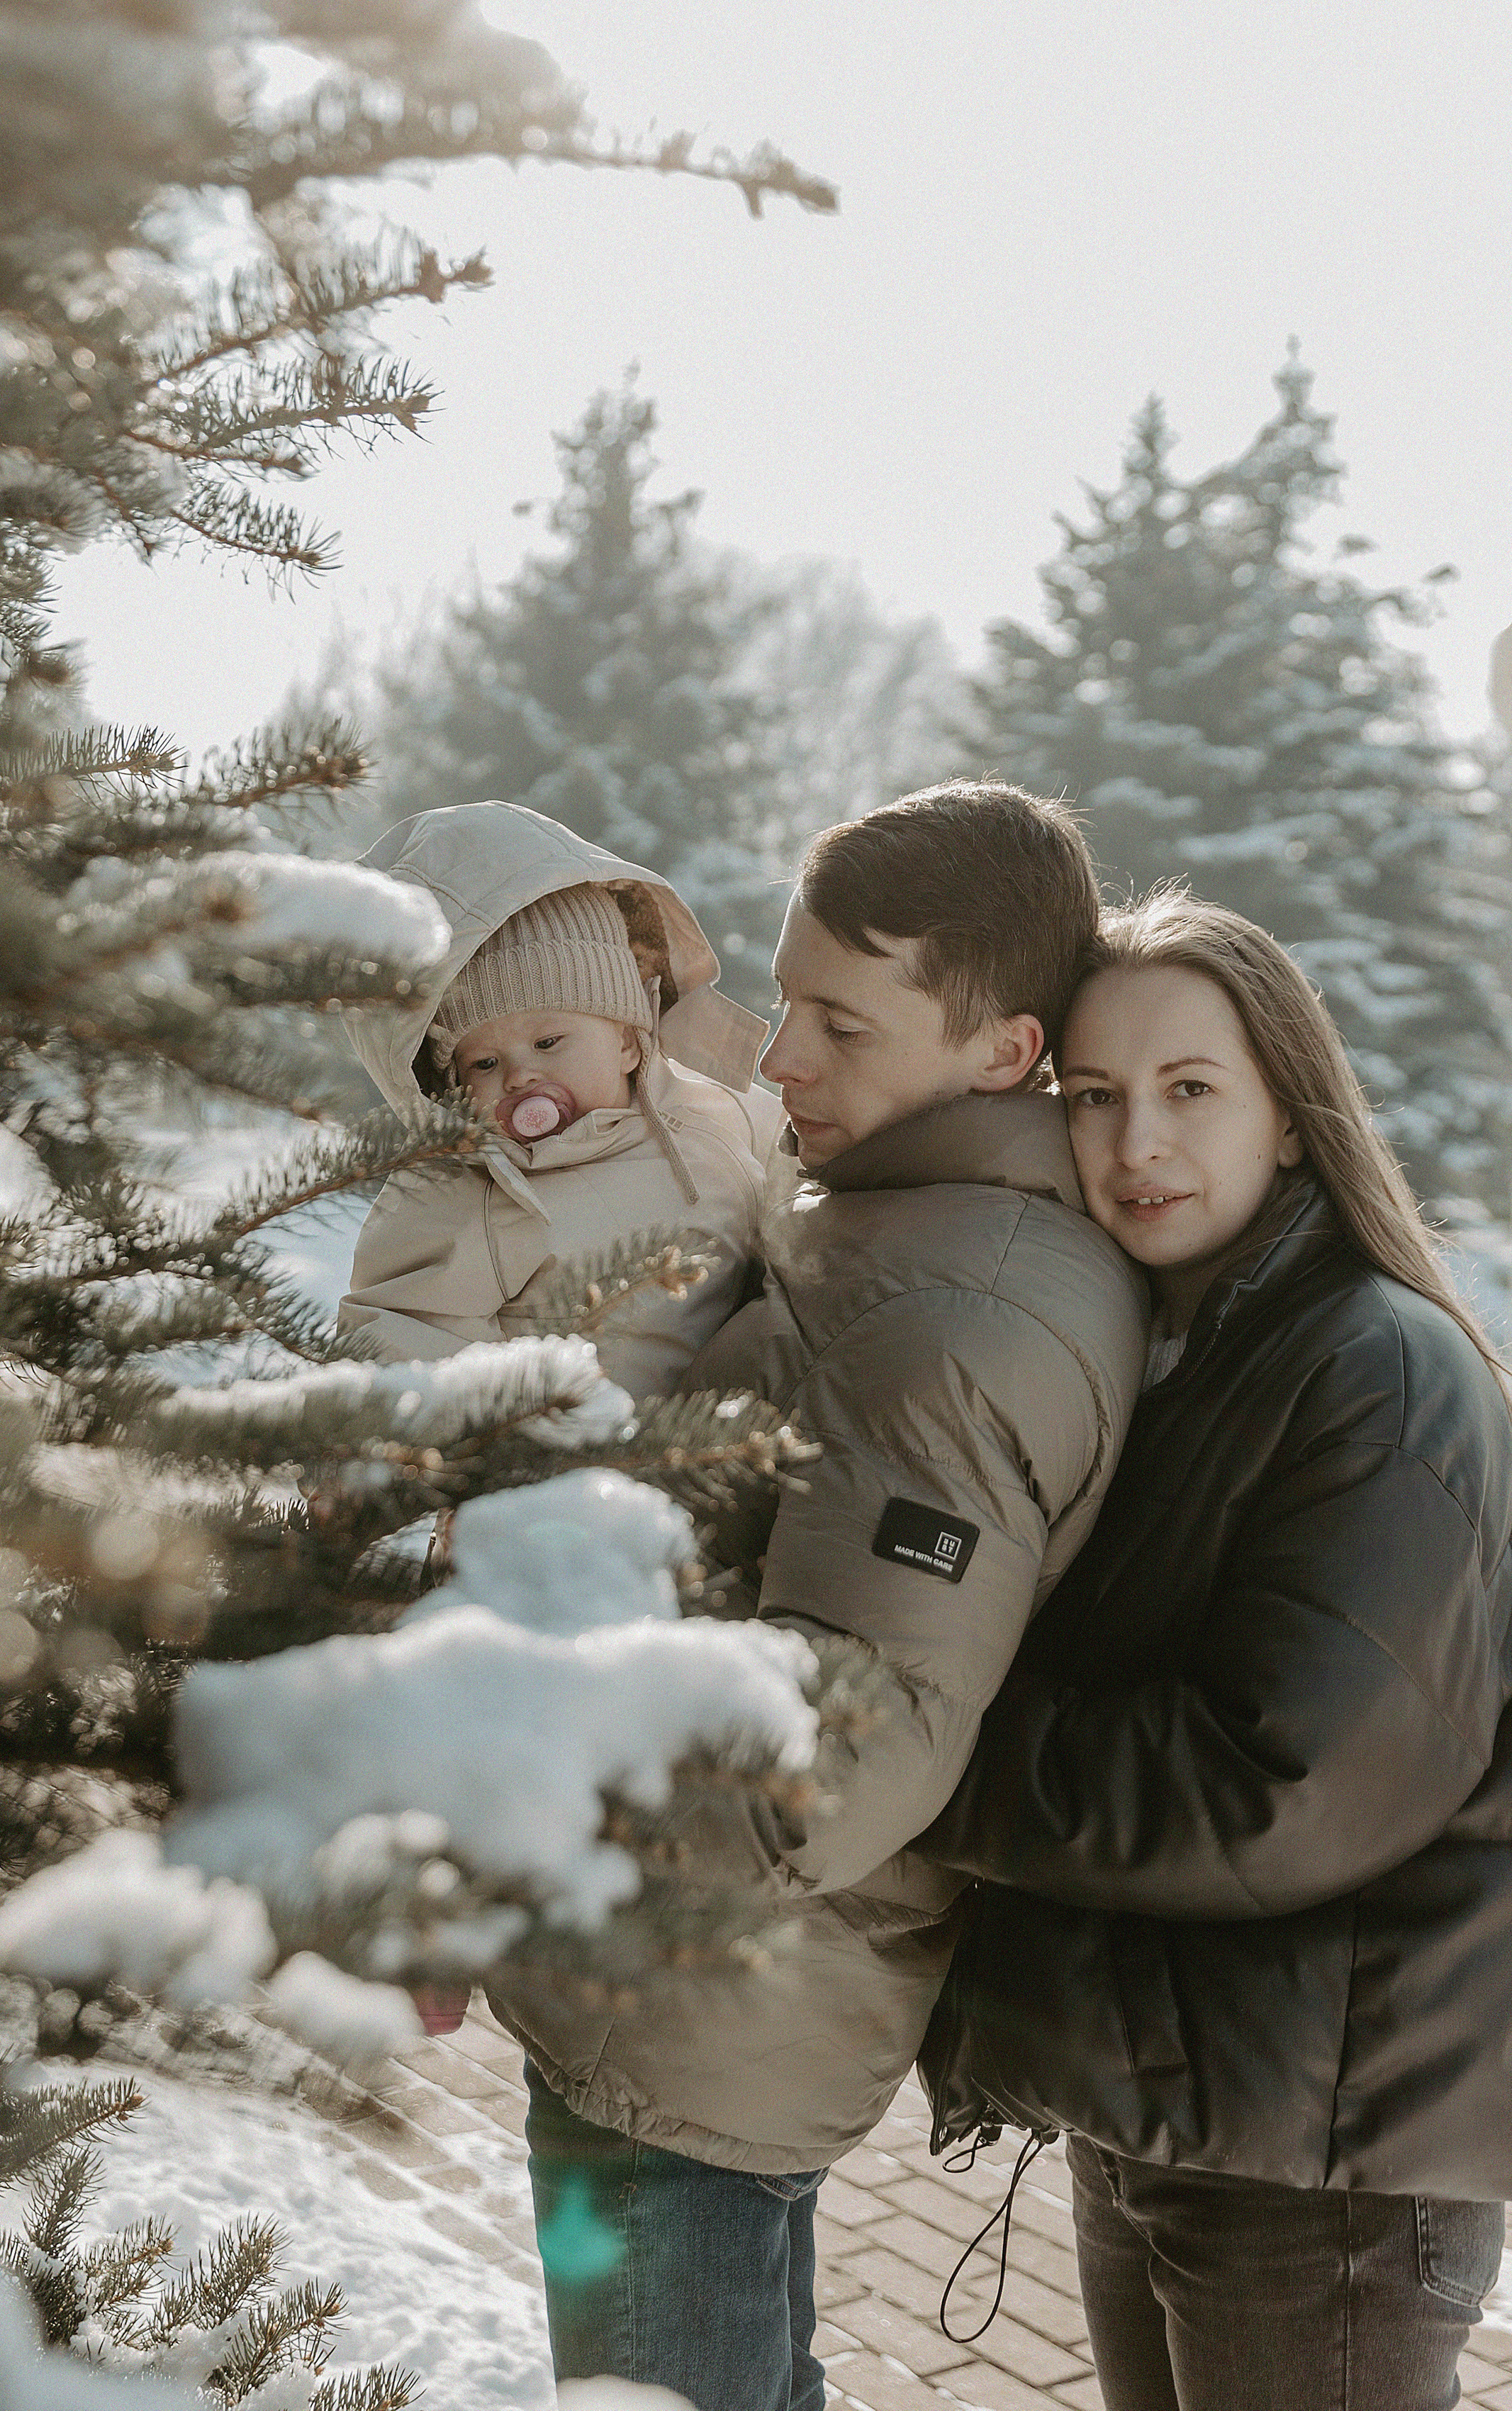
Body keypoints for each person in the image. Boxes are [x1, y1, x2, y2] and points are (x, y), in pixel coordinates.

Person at [492, 783, 1150, 2411]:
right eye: (782, 995)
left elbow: (835, 1757)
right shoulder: (891, 1234)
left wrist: (527, 1801)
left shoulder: (956, 1311)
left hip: (684, 2036)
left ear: (999, 1051)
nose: (777, 1054)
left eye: (837, 1023)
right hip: (671, 2022)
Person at [916, 893, 1512, 2411]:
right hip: (1177, 2114)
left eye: (1189, 1092)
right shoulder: (1177, 1350)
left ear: (1294, 1118)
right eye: (1094, 1099)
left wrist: (921, 1750)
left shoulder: (1372, 1367)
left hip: (1322, 2175)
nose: (1133, 1149)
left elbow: (1279, 1781)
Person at [339, 800, 779, 1397]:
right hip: (576, 1464)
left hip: (727, 1433)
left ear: (627, 1040)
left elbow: (802, 1164)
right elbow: (400, 1334)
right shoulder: (473, 1192)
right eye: (486, 1063)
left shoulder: (712, 1110)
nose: (520, 1076)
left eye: (549, 1042)